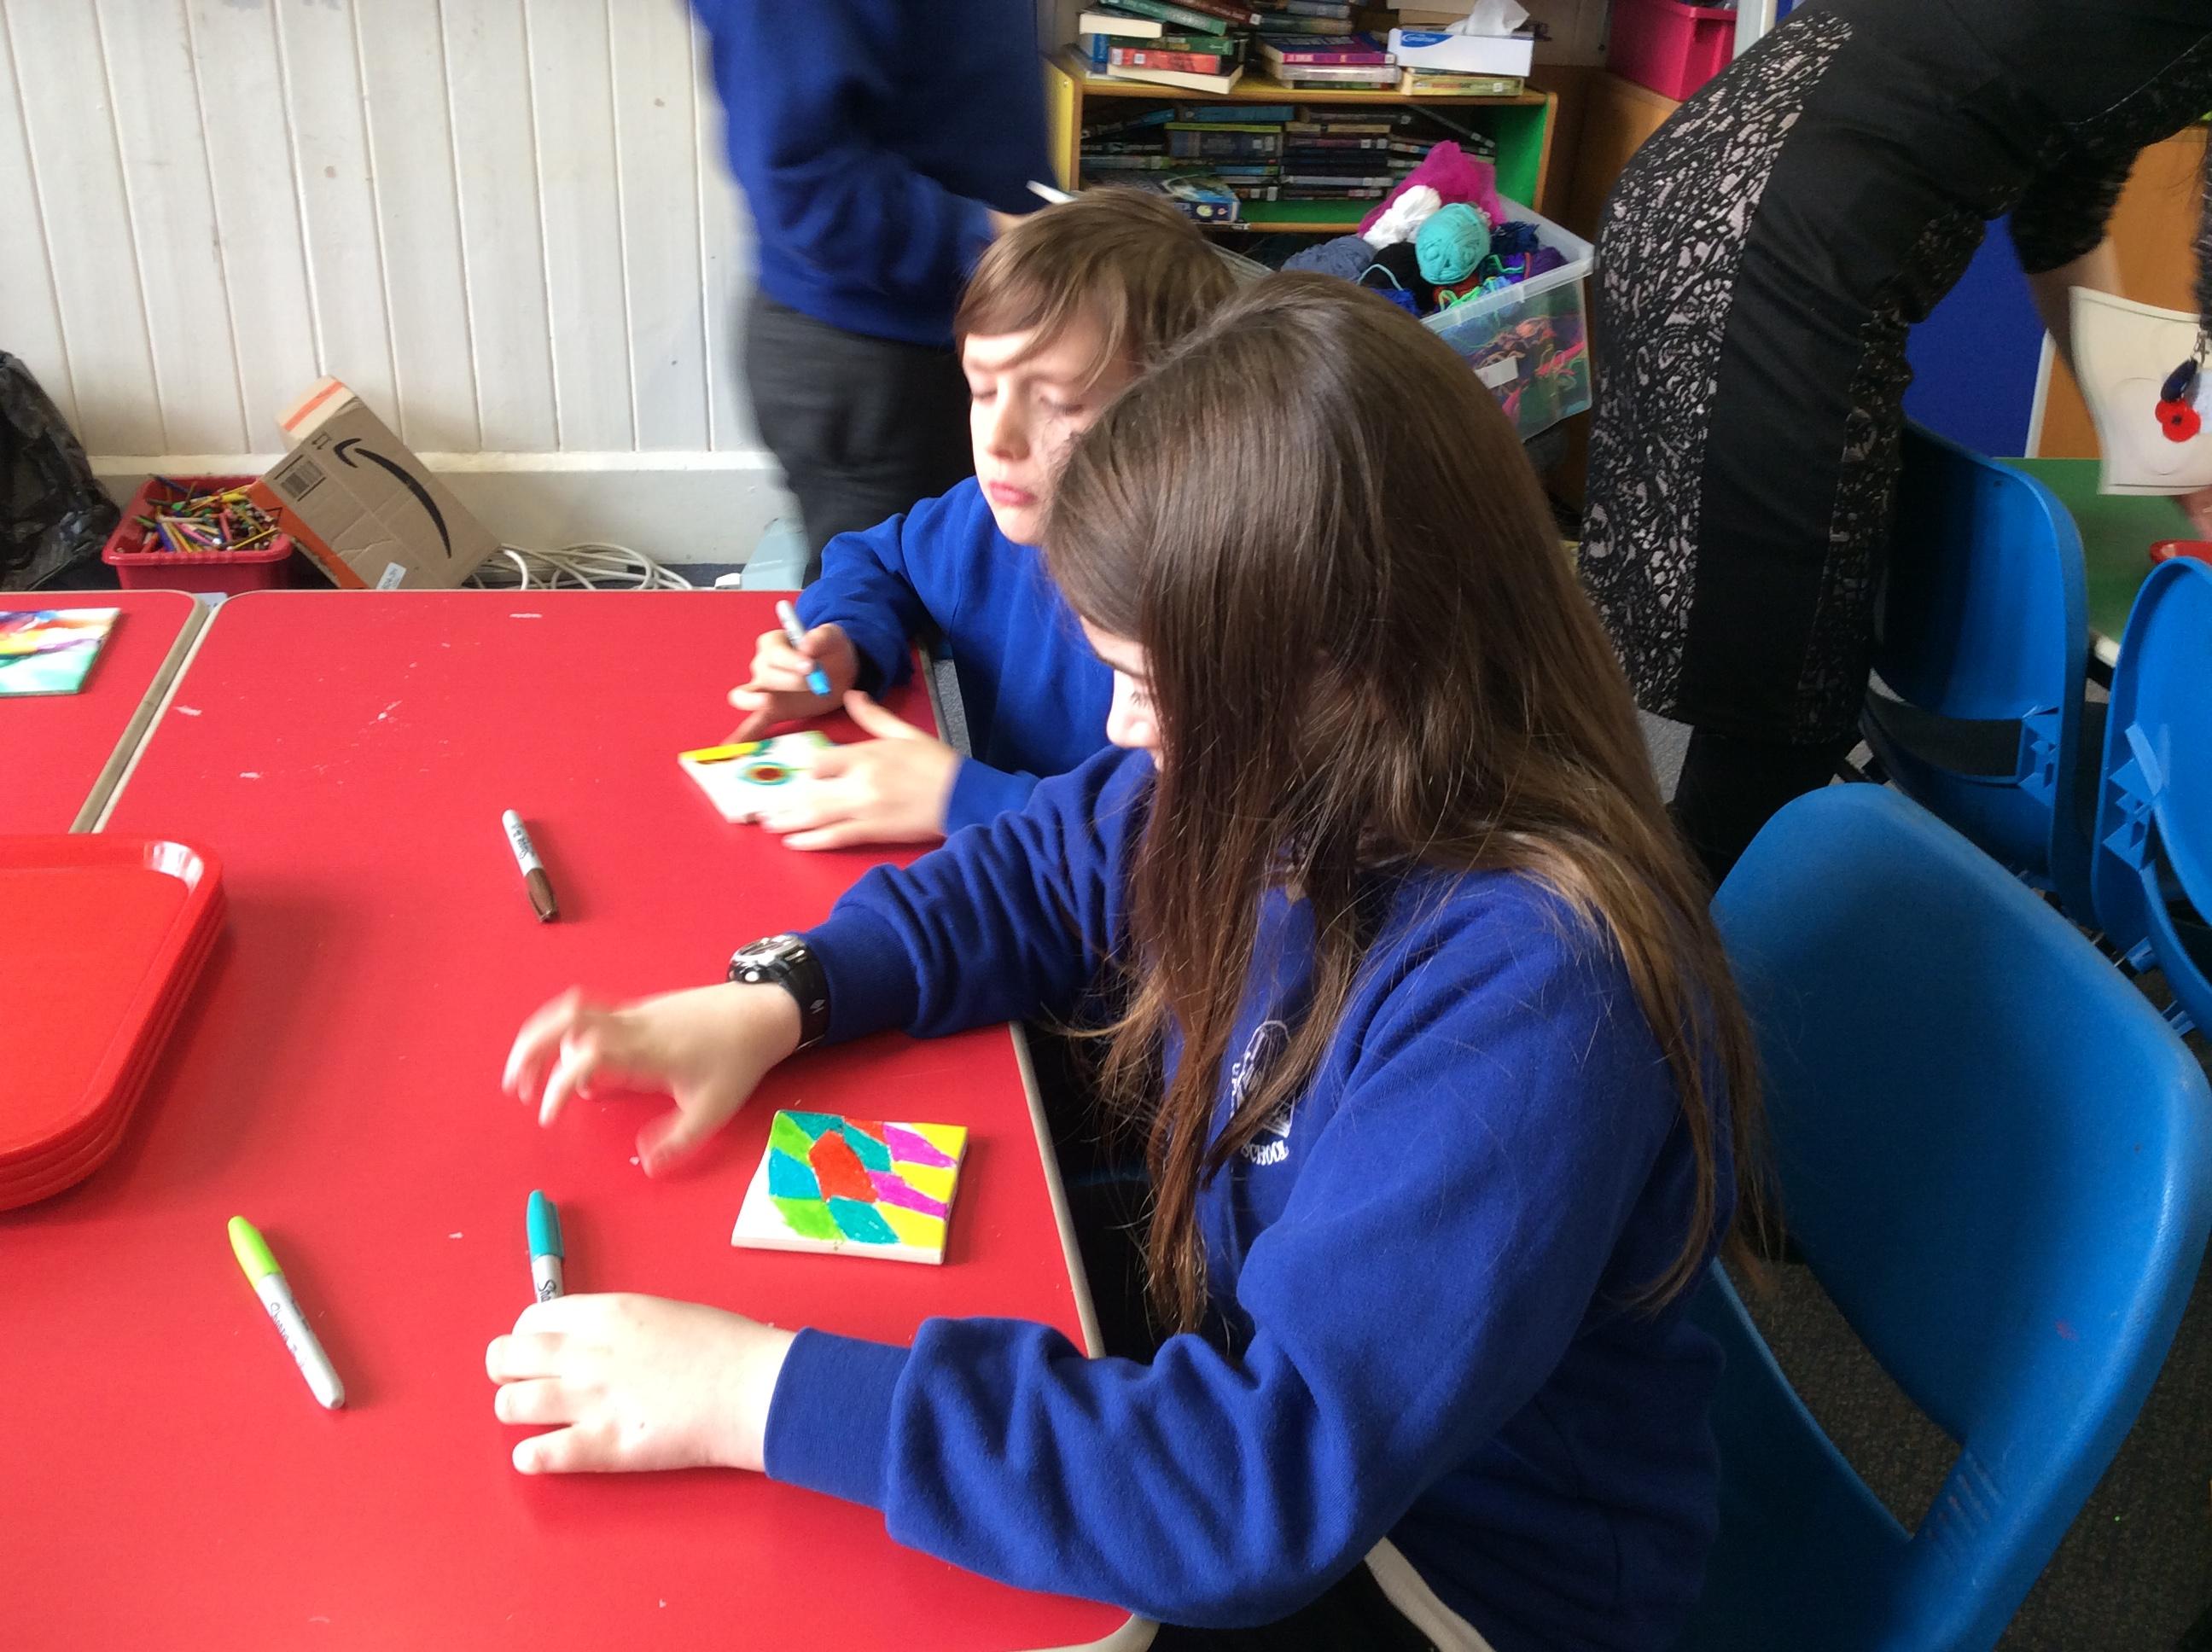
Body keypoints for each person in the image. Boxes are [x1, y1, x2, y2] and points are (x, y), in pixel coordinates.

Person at [487, 278, 1767, 1650]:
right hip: (1266, 1380)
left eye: (1152, 688)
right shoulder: (1298, 780)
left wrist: (756, 1397)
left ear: (1346, 673)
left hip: (1442, 1582)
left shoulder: (1533, 995)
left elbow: (1259, 1492)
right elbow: (1048, 863)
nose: (1117, 729)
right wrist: (785, 996)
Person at [1580, 0, 2212, 885]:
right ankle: (1667, 950)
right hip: (1775, 250)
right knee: (1779, 706)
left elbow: (2062, 218)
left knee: (1763, 674)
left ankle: (1646, 924)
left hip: (1691, 199)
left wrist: (2155, 436)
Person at [725, 189, 1237, 850]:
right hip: (996, 872)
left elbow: (1205, 847)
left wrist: (964, 798)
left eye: (1059, 403)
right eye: (983, 390)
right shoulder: (982, 525)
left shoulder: (1218, 599)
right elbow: (877, 558)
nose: (999, 439)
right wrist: (846, 644)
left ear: (1179, 416)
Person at [693, 0, 1048, 577]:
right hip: (879, 356)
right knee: (879, 604)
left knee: (977, 587)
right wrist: (1010, 240)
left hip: (971, 318)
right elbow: (805, 189)